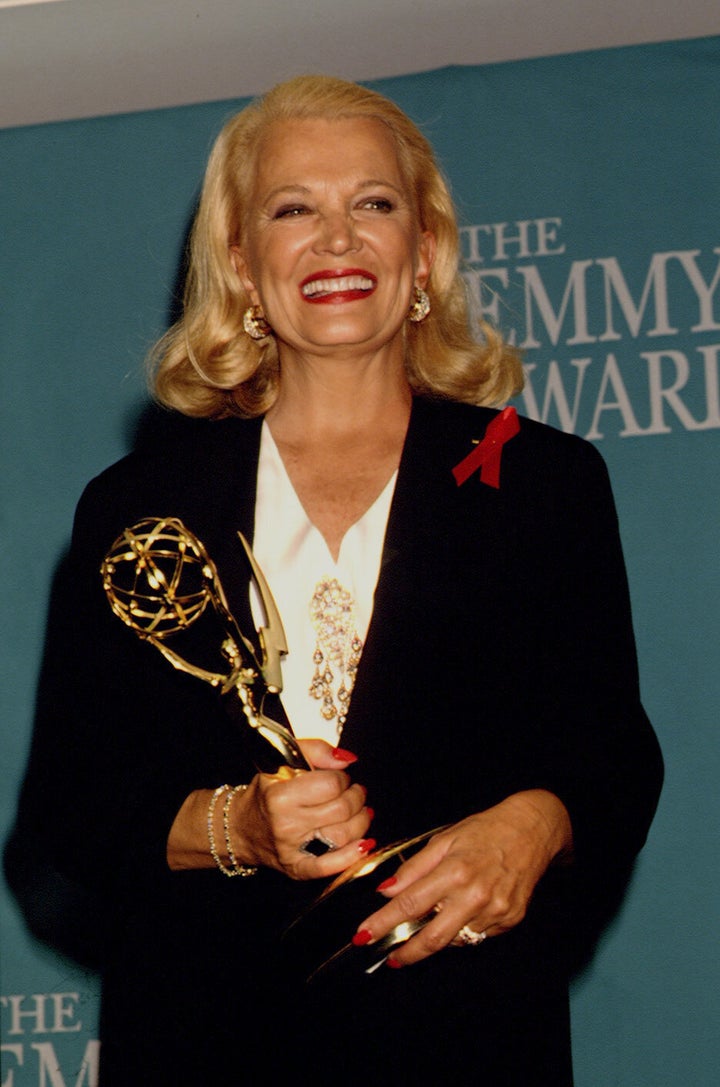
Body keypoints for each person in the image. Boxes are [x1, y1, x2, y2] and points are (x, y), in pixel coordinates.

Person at [7, 75, 663, 1085]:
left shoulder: (545, 481)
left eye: (374, 203)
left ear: (425, 252)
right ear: (239, 260)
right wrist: (236, 827)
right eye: (292, 208)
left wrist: (538, 820)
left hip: (469, 1038)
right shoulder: (138, 507)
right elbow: (70, 816)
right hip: (202, 1039)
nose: (337, 238)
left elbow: (610, 754)